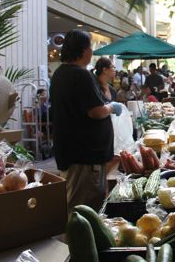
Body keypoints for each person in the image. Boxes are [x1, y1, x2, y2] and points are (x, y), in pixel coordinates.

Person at [50, 30, 124, 213]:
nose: (91, 51)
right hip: (84, 158)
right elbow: (95, 111)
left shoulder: (60, 73)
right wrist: (111, 107)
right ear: (83, 50)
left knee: (76, 205)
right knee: (82, 209)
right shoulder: (80, 75)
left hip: (73, 153)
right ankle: (75, 242)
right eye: (90, 47)